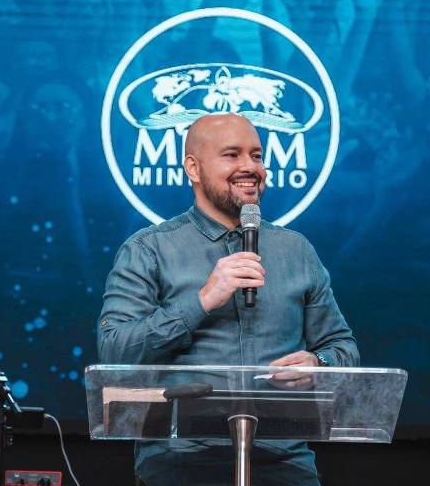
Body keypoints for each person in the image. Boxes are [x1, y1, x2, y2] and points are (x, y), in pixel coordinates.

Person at [98, 113, 359, 485]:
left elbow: (341, 347)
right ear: (193, 167)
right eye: (232, 155)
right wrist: (202, 300)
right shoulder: (148, 250)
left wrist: (319, 362)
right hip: (181, 461)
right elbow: (114, 352)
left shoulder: (296, 250)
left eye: (256, 155)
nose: (250, 167)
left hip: (282, 462)